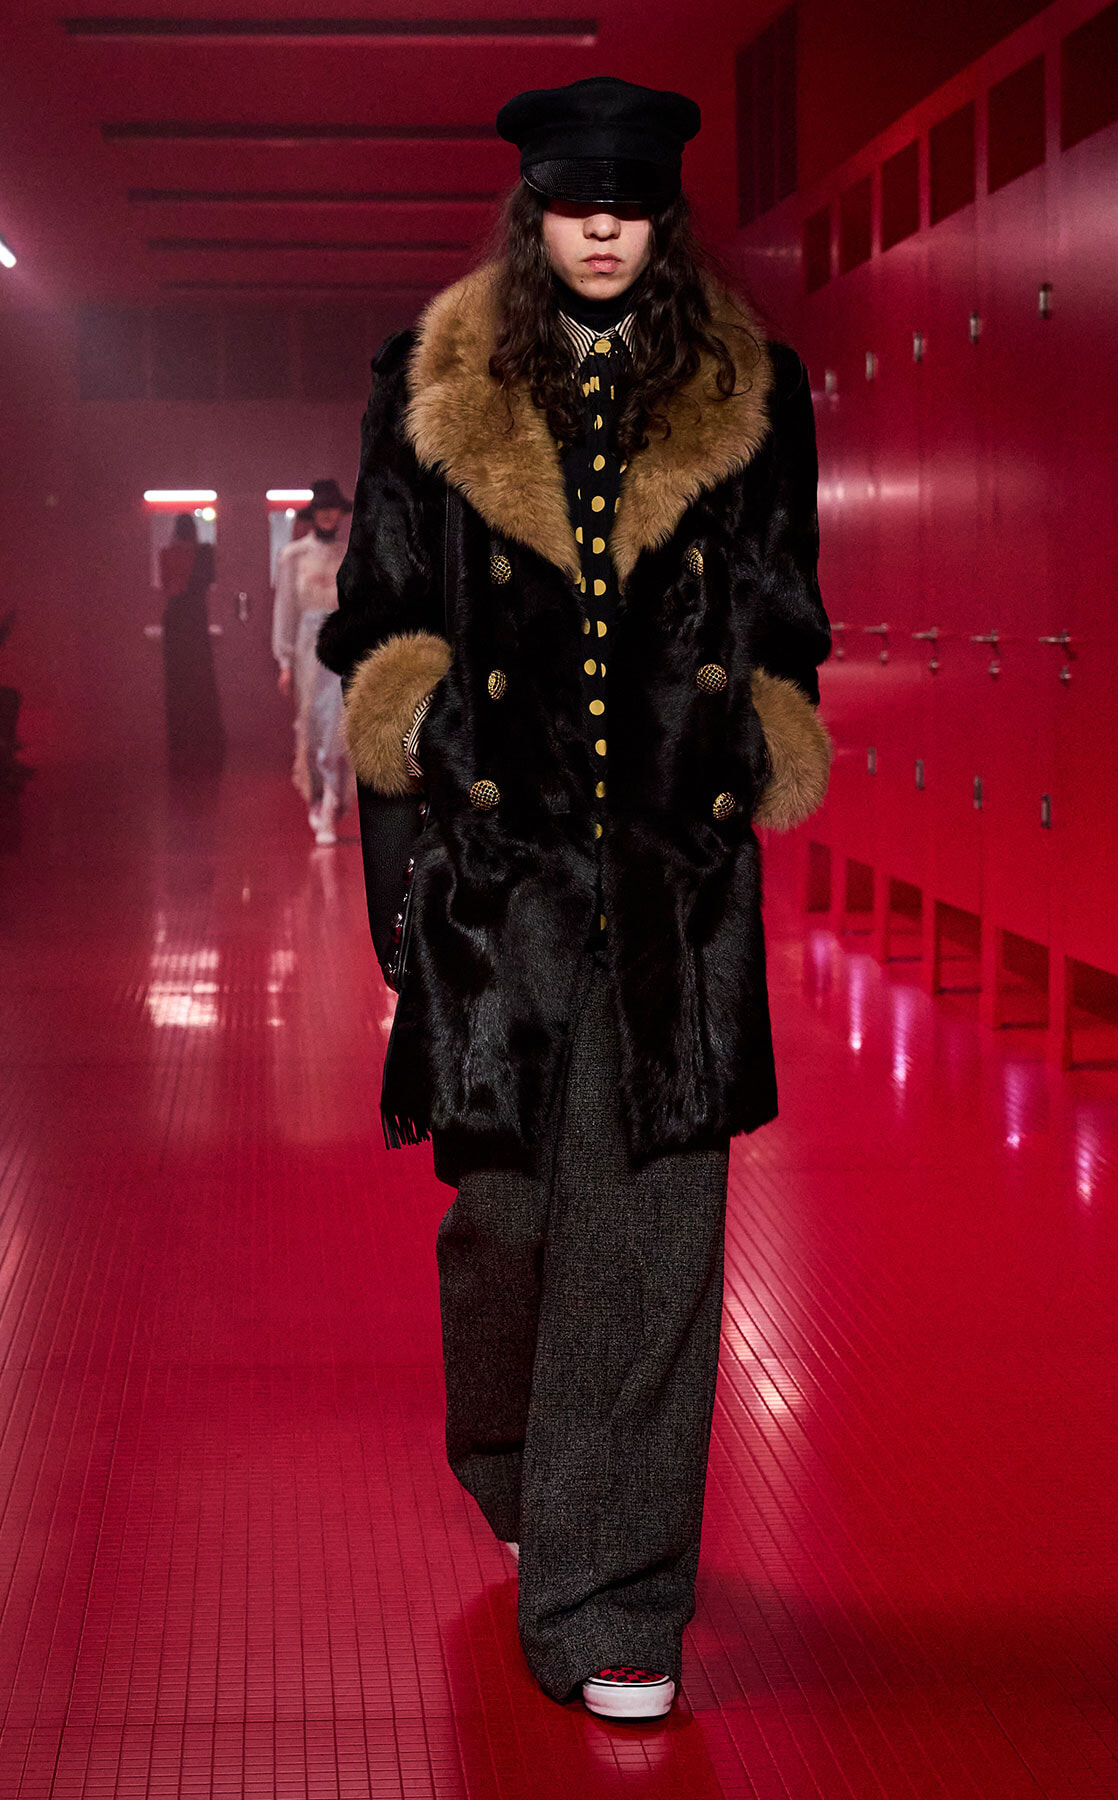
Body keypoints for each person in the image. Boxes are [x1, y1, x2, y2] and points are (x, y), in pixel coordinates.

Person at [318, 75, 833, 1722]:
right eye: (574, 200)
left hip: (675, 882)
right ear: (535, 213)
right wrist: (419, 807)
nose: (603, 225)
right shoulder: (429, 386)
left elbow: (793, 610)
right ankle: (519, 1463)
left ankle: (616, 1606)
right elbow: (381, 623)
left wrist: (755, 736)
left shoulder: (753, 390)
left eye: (629, 202)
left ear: (661, 218)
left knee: (656, 1230)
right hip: (500, 878)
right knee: (511, 1223)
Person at [272, 478, 353, 844]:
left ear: (339, 512)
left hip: (341, 646)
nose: (327, 514)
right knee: (312, 722)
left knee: (338, 722)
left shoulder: (350, 554)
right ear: (313, 514)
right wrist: (284, 660)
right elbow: (285, 610)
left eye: (332, 508)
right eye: (321, 509)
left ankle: (334, 798)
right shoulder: (293, 556)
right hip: (307, 649)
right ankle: (318, 799)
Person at [159, 513, 224, 778]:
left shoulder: (168, 553)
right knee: (200, 678)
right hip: (195, 619)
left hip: (176, 621)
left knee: (178, 681)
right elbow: (204, 581)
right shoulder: (204, 552)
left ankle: (181, 737)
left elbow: (169, 586)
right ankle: (204, 735)